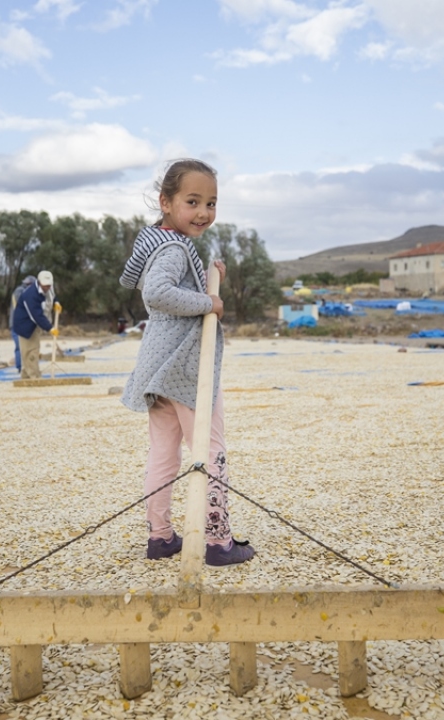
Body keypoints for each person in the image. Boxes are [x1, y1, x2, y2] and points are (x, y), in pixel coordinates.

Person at [119, 159, 255, 567]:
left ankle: (160, 537)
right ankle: (217, 540)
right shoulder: (175, 248)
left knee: (163, 453)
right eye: (192, 201)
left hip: (158, 367)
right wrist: (209, 301)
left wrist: (209, 282)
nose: (203, 212)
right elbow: (159, 293)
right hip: (185, 368)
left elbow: (168, 287)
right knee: (210, 448)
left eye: (211, 203)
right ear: (165, 201)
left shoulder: (159, 243)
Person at [11, 270, 55, 379]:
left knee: (32, 348)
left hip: (34, 324)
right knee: (30, 351)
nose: (47, 287)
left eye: (49, 285)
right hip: (25, 325)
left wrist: (56, 303)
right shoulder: (30, 295)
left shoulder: (49, 287)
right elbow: (36, 315)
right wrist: (49, 328)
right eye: (45, 285)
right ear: (39, 282)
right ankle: (34, 377)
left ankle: (26, 375)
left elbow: (52, 296)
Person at [10, 275, 36, 371]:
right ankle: (21, 367)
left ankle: (26, 367)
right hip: (17, 324)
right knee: (20, 346)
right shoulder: (19, 291)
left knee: (26, 346)